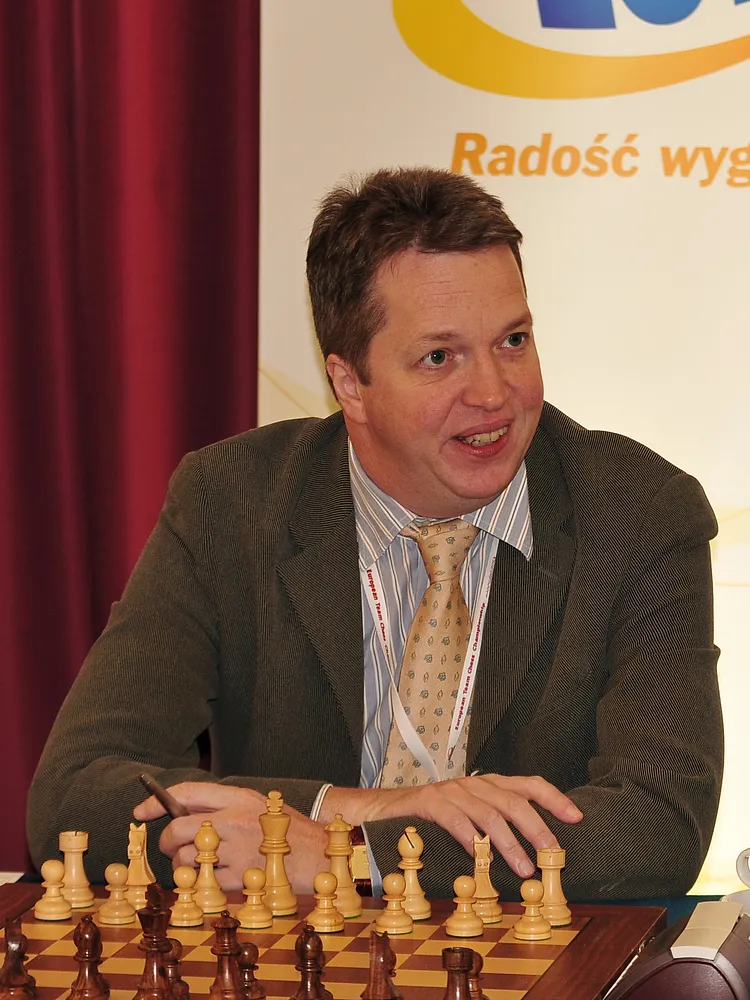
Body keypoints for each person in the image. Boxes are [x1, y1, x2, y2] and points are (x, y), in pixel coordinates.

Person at [27, 167, 722, 900]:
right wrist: (355, 809)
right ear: (349, 384)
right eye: (439, 357)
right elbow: (74, 795)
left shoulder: (639, 514)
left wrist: (352, 857)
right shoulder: (232, 504)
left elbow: (661, 821)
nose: (494, 392)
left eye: (513, 340)